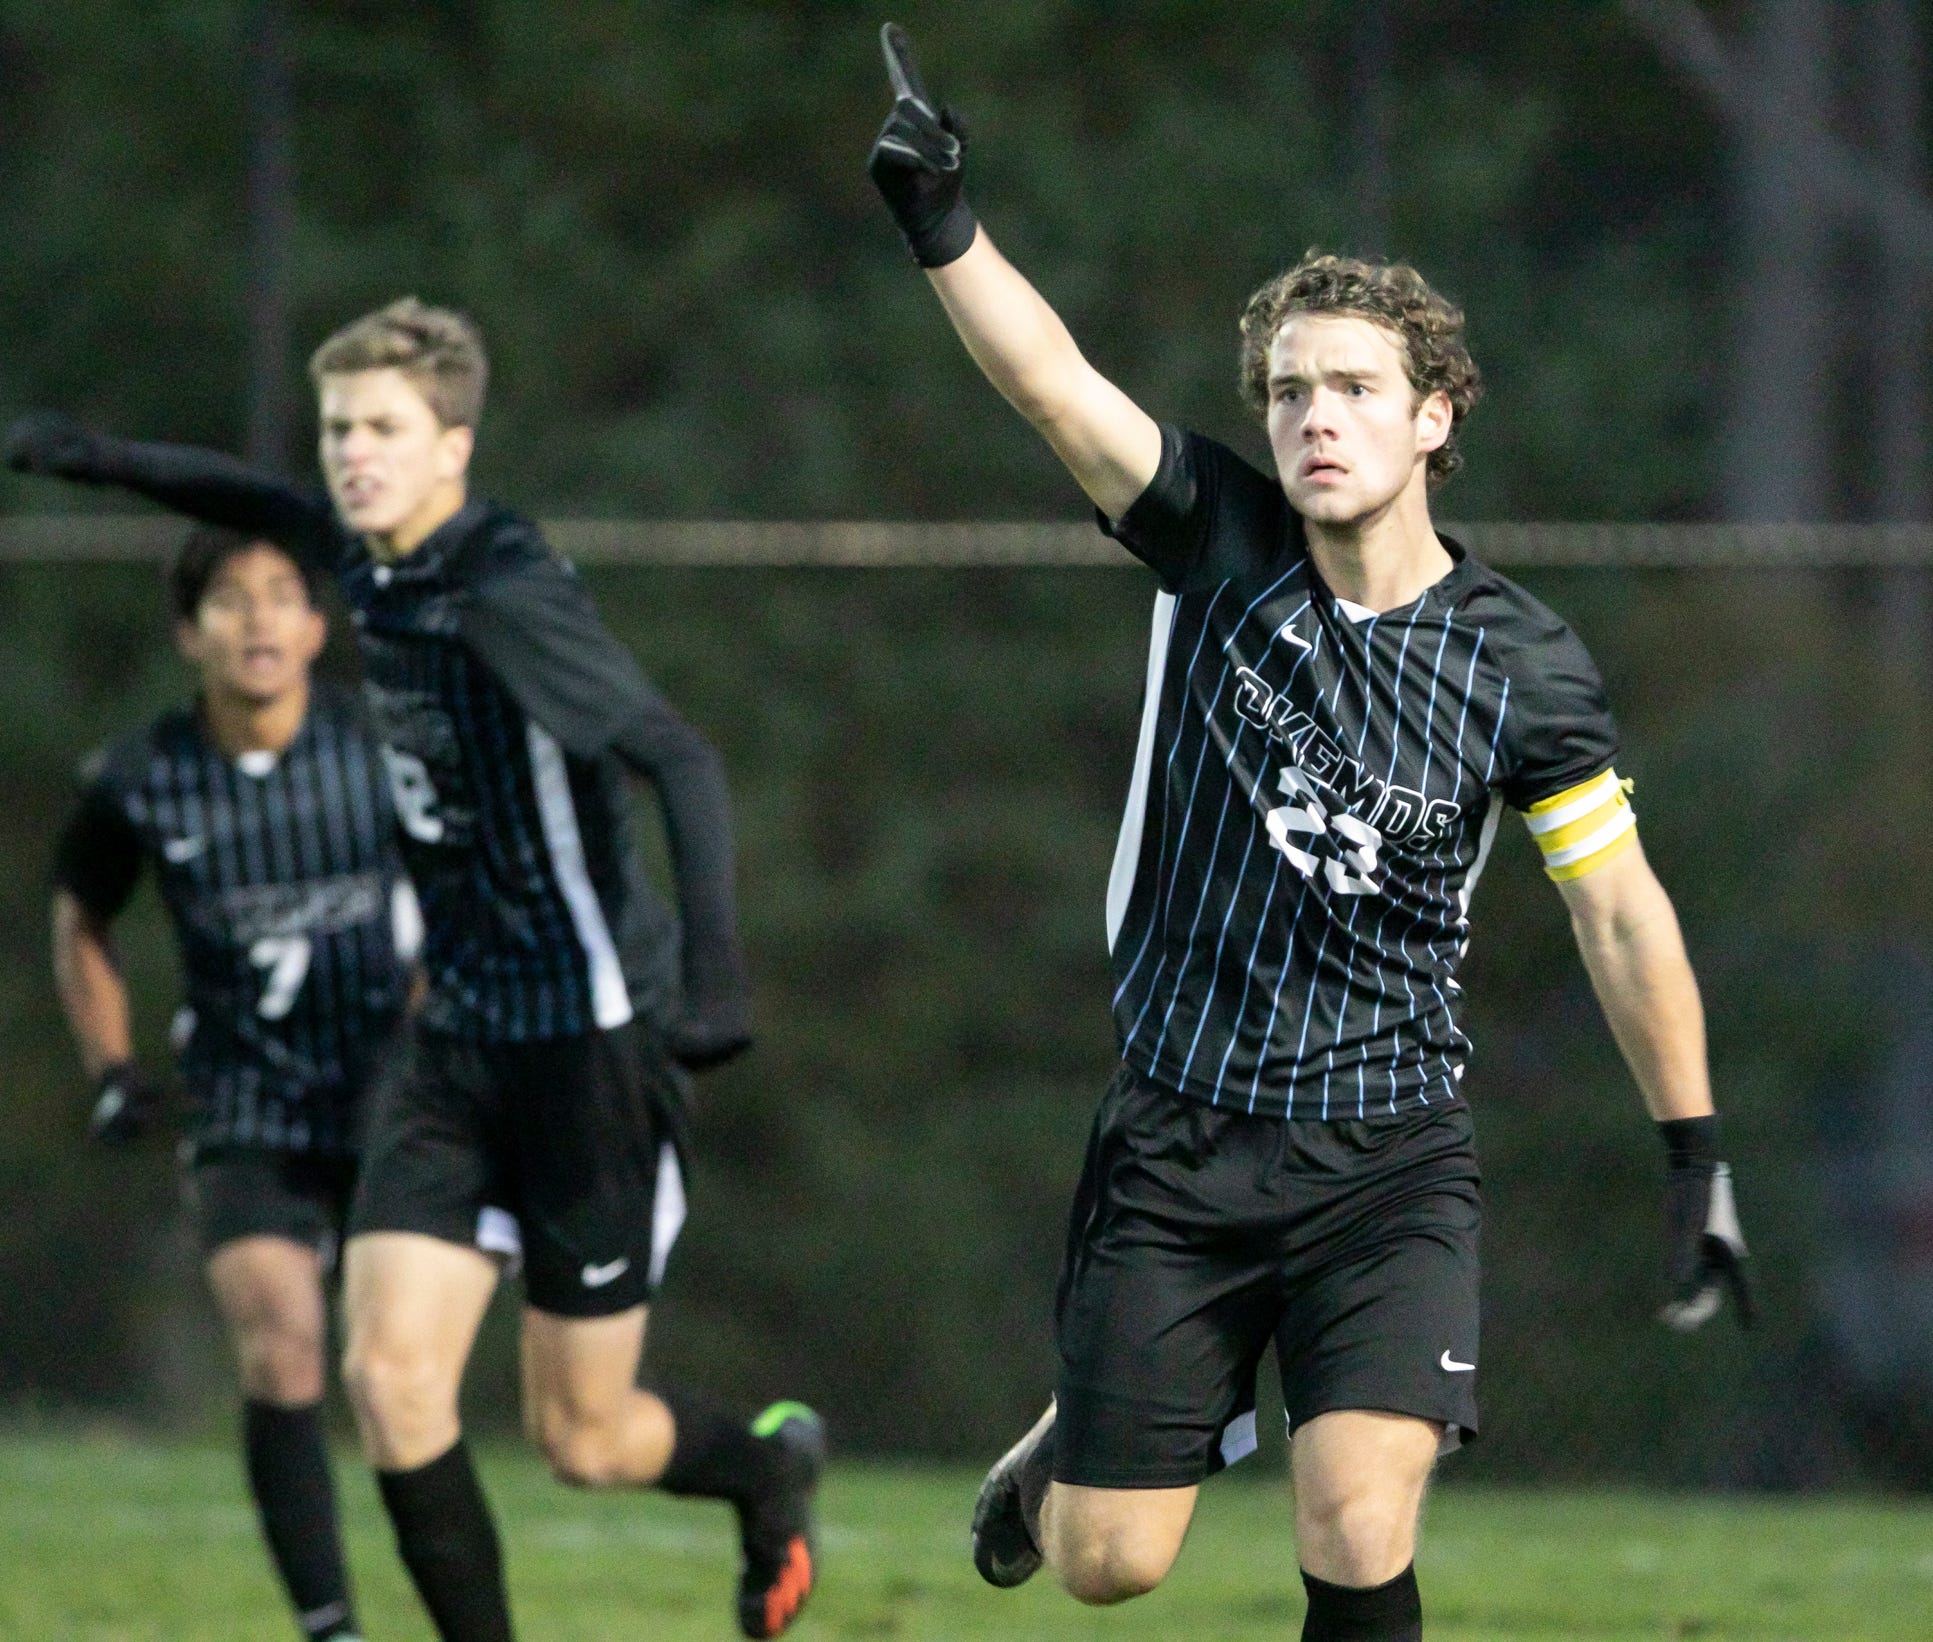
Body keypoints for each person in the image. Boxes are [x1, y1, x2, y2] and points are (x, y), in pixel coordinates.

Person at [866, 25, 1753, 1642]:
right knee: (1105, 1562)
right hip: (1179, 1137)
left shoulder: (1519, 663)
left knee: (1353, 1518)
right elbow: (1052, 385)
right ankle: (1085, 1436)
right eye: (1287, 390)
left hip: (1388, 1153)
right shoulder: (1214, 539)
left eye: (1351, 387)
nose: (1311, 417)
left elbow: (1618, 916)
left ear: (1433, 417)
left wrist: (1692, 1153)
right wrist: (943, 223)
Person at [8, 297, 821, 1642]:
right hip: (455, 1047)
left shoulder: (500, 592)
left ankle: (765, 1467)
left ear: (455, 443)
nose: (351, 455)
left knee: (585, 1433)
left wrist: (717, 982)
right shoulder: (369, 553)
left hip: (589, 1044)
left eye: (383, 429)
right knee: (388, 1382)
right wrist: (104, 458)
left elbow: (677, 756)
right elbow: (255, 493)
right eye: (340, 428)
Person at [50, 524, 415, 1642]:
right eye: (229, 598)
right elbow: (82, 919)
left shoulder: (382, 748)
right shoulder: (138, 778)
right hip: (243, 1103)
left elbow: (466, 892)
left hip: (392, 1098)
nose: (257, 617)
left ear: (315, 625)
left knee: (395, 1374)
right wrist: (111, 1066)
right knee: (280, 1338)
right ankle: (329, 1623)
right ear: (189, 630)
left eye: (280, 595)